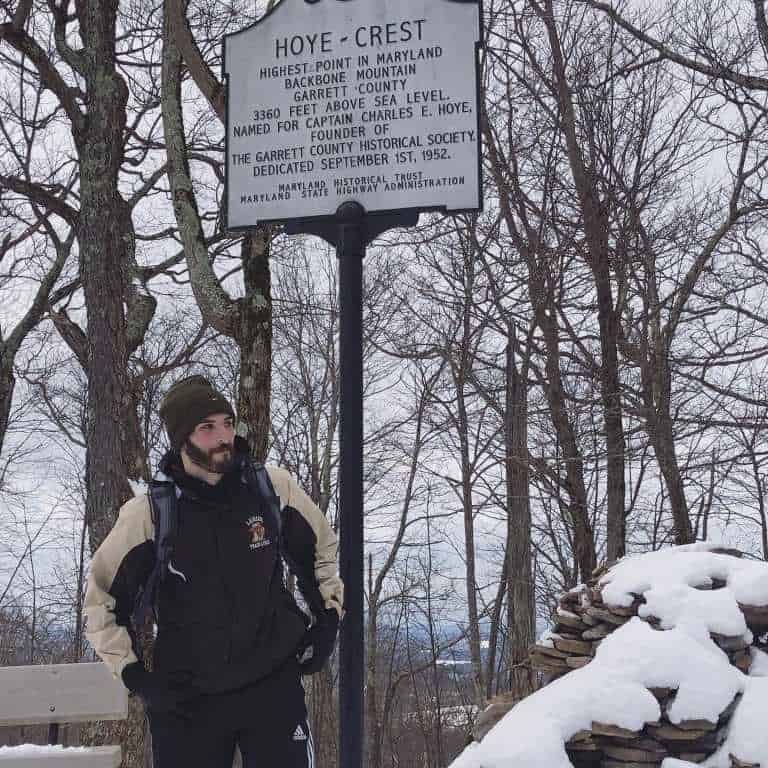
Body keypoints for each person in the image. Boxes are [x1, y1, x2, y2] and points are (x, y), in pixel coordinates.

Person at [84, 375, 343, 768]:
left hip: (271, 683)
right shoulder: (151, 514)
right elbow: (101, 599)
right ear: (181, 439)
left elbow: (321, 551)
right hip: (188, 698)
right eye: (207, 427)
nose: (223, 436)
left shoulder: (271, 489)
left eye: (226, 423)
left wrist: (328, 620)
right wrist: (136, 675)